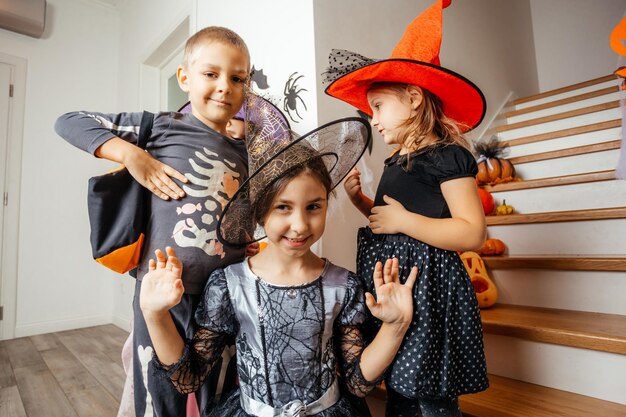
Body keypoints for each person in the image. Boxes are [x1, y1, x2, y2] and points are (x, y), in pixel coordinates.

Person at [139, 95, 419, 417]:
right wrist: (155, 315)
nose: (300, 225)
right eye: (283, 207)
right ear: (260, 213)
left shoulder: (344, 286)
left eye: (314, 206)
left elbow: (357, 384)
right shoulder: (229, 285)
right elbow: (190, 377)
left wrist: (395, 326)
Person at [55, 26, 256, 417]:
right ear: (184, 78)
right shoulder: (161, 126)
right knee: (159, 394)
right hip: (161, 290)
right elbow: (69, 121)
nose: (224, 87)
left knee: (217, 391)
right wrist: (131, 155)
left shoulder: (247, 152)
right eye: (210, 74)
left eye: (237, 78)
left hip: (224, 293)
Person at [323, 1, 489, 416]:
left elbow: (472, 232)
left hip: (429, 286)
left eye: (377, 107)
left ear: (414, 98)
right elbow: (391, 223)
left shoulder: (448, 156)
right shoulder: (397, 160)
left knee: (428, 387)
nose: (372, 120)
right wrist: (364, 203)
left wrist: (405, 220)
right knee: (397, 376)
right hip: (394, 286)